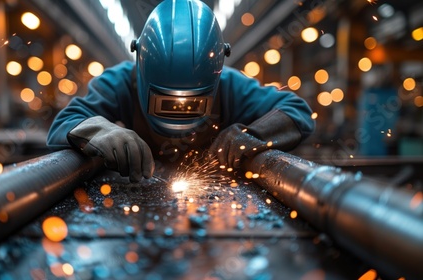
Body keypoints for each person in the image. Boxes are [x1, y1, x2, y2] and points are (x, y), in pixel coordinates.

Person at [46, 0, 315, 182]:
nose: (179, 109)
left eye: (192, 103)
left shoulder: (231, 86)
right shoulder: (119, 83)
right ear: (141, 65)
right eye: (167, 101)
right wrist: (101, 131)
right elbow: (63, 124)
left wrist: (251, 136)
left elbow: (297, 112)